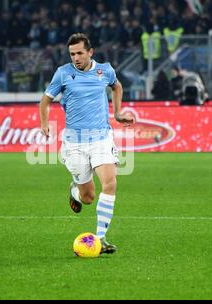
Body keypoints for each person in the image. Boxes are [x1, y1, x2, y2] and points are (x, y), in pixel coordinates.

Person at [39, 33, 135, 254]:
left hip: (101, 138)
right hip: (74, 144)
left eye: (80, 53)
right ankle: (75, 191)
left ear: (90, 52)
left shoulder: (105, 70)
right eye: (72, 54)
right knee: (88, 197)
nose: (76, 58)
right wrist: (44, 123)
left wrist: (118, 113)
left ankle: (100, 239)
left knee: (110, 184)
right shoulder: (63, 74)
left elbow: (117, 86)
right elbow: (45, 101)